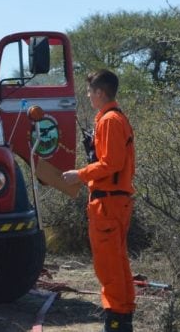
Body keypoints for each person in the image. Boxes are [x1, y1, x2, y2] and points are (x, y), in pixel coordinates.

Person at [62, 69, 136, 332]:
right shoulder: (111, 119)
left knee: (109, 268)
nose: (88, 96)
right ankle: (123, 319)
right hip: (114, 202)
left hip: (108, 204)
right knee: (118, 263)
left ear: (100, 92)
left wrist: (79, 174)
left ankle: (115, 323)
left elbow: (111, 163)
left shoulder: (109, 121)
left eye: (90, 91)